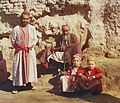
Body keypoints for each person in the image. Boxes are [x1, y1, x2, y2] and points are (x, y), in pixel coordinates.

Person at [10, 12, 38, 94]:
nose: (25, 20)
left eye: (27, 18)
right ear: (21, 19)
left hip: (29, 51)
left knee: (29, 68)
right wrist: (19, 48)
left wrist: (30, 46)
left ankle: (28, 84)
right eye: (23, 18)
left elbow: (35, 39)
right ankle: (17, 86)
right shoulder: (16, 29)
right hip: (20, 52)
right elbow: (13, 40)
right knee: (19, 68)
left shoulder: (32, 28)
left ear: (29, 19)